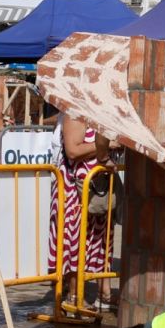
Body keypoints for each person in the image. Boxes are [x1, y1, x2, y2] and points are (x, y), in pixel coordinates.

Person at [50, 108, 117, 308]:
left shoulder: (101, 113)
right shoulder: (75, 113)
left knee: (101, 240)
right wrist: (107, 145)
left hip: (98, 187)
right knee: (75, 240)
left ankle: (103, 292)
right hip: (74, 189)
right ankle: (73, 296)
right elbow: (72, 151)